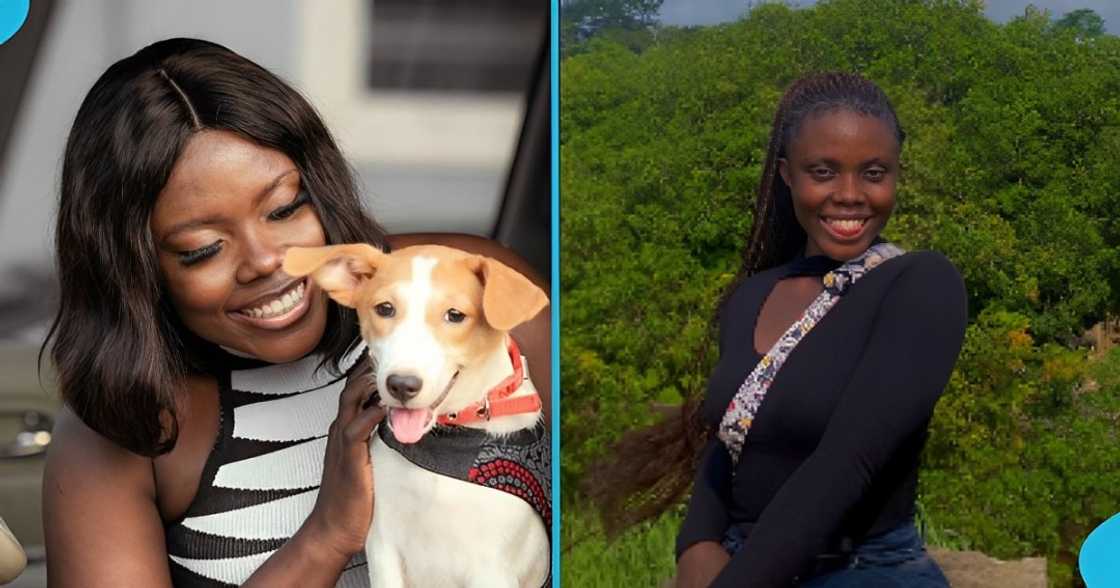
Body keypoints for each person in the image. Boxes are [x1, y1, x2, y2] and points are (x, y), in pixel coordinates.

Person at [40, 38, 550, 587]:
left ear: (321, 188)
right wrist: (327, 534)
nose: (266, 261)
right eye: (203, 249)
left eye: (284, 210)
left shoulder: (474, 293)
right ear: (134, 269)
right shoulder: (122, 428)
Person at [588, 72, 967, 587]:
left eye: (874, 173)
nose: (850, 195)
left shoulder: (919, 286)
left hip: (860, 570)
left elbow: (848, 464)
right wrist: (697, 543)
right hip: (739, 557)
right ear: (788, 175)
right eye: (823, 172)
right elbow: (729, 438)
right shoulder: (752, 297)